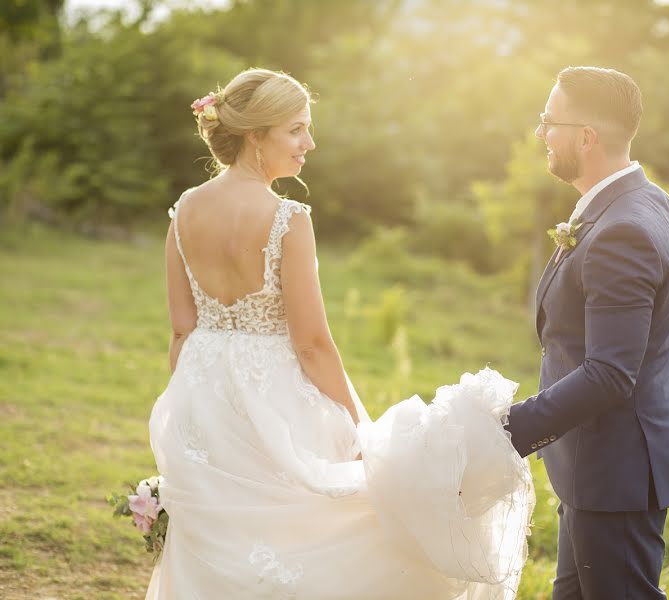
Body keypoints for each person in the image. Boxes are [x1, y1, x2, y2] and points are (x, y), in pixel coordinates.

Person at [145, 68, 533, 599]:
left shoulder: (184, 208)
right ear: (256, 136)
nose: (309, 144)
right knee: (306, 523)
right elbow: (311, 343)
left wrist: (187, 405)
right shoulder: (287, 219)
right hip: (274, 395)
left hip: (202, 387)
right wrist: (360, 427)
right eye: (296, 130)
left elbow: (181, 329)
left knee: (222, 532)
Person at [505, 66, 669, 599]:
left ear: (586, 137)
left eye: (549, 121)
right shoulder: (649, 202)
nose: (541, 133)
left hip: (616, 472)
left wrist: (510, 431)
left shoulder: (623, 230)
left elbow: (610, 374)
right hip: (598, 471)